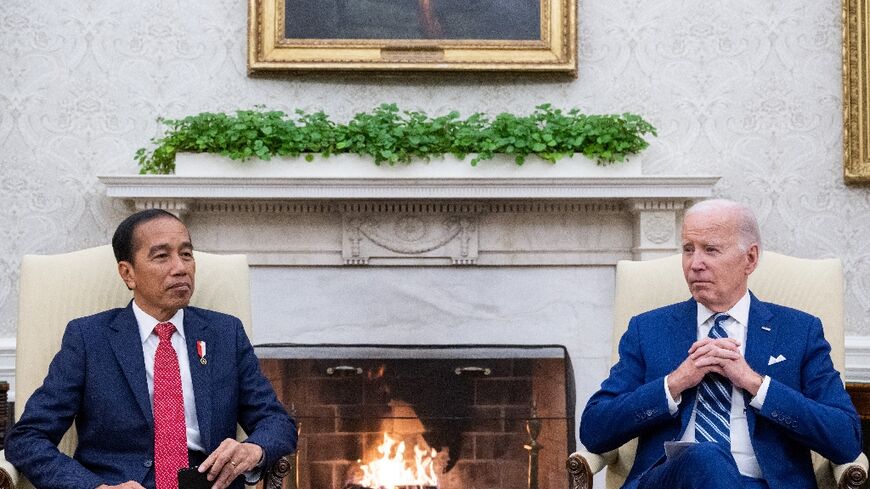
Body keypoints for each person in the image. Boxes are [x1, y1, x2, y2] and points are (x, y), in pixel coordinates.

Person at [579, 199, 861, 489]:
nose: (695, 264)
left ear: (750, 259)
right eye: (688, 249)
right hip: (672, 481)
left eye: (710, 250)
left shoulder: (798, 331)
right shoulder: (649, 329)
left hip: (764, 484)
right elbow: (594, 429)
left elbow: (846, 439)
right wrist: (674, 384)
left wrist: (755, 384)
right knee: (706, 457)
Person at [6, 209, 297, 489]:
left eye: (186, 254)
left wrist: (253, 449)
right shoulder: (89, 339)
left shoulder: (224, 334)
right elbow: (27, 438)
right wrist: (95, 487)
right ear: (128, 273)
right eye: (161, 256)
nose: (180, 268)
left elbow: (276, 421)